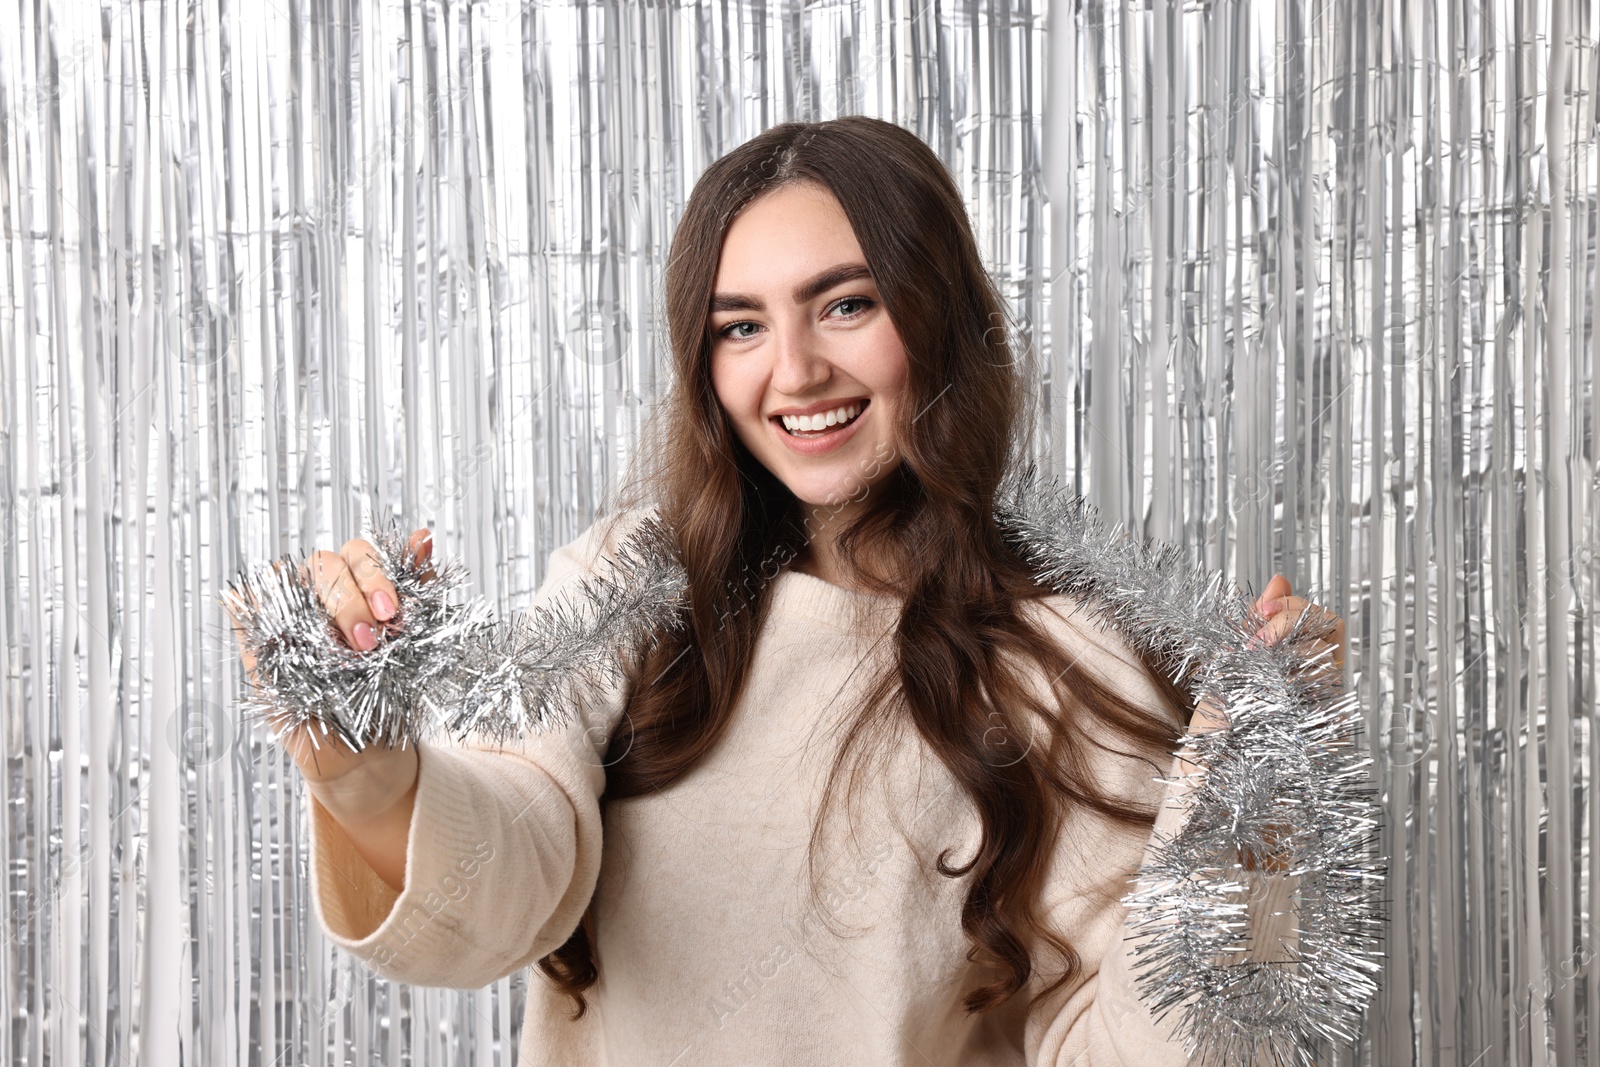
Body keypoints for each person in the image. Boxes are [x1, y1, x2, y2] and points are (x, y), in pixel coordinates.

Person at [232, 116, 1346, 1064]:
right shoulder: (628, 592)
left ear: (939, 316)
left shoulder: (1061, 656)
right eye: (741, 325)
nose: (795, 370)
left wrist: (1258, 803)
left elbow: (1182, 1042)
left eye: (847, 304)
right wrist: (367, 778)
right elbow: (501, 888)